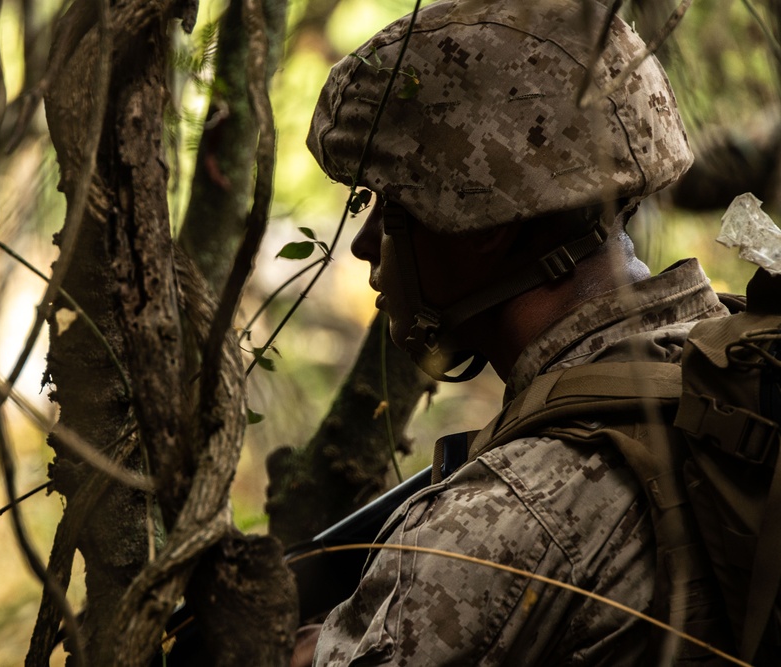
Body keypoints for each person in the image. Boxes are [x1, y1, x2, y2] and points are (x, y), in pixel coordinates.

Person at [295, 0, 736, 664]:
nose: (363, 244)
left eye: (391, 208)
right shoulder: (730, 367)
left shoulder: (506, 522)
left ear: (483, 228)